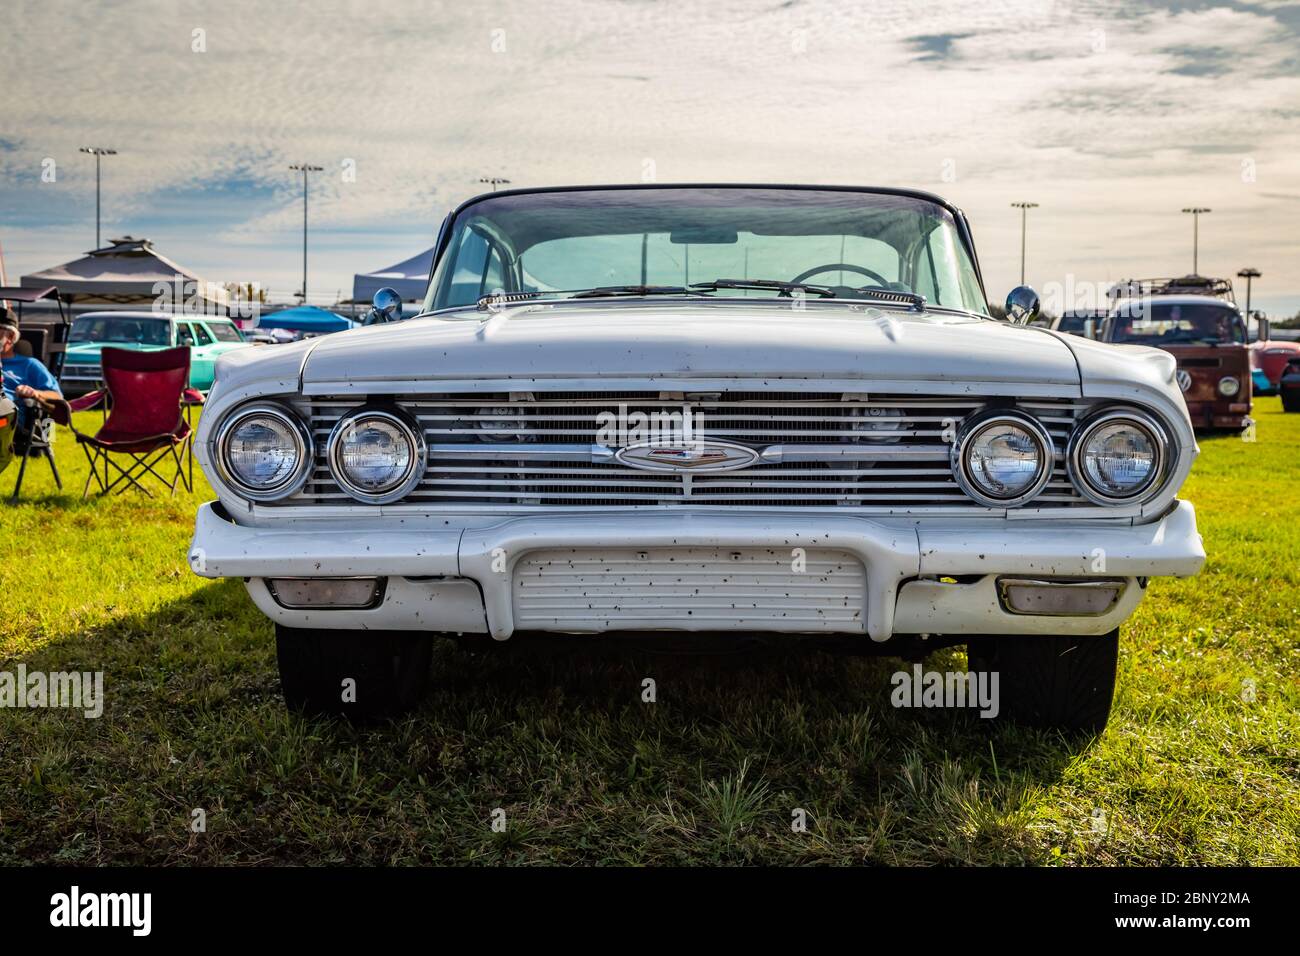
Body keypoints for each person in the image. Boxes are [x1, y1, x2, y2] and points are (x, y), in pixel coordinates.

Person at [0, 307, 63, 430]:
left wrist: (34, 393)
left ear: (11, 337)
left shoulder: (29, 365)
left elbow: (57, 397)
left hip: (9, 421)